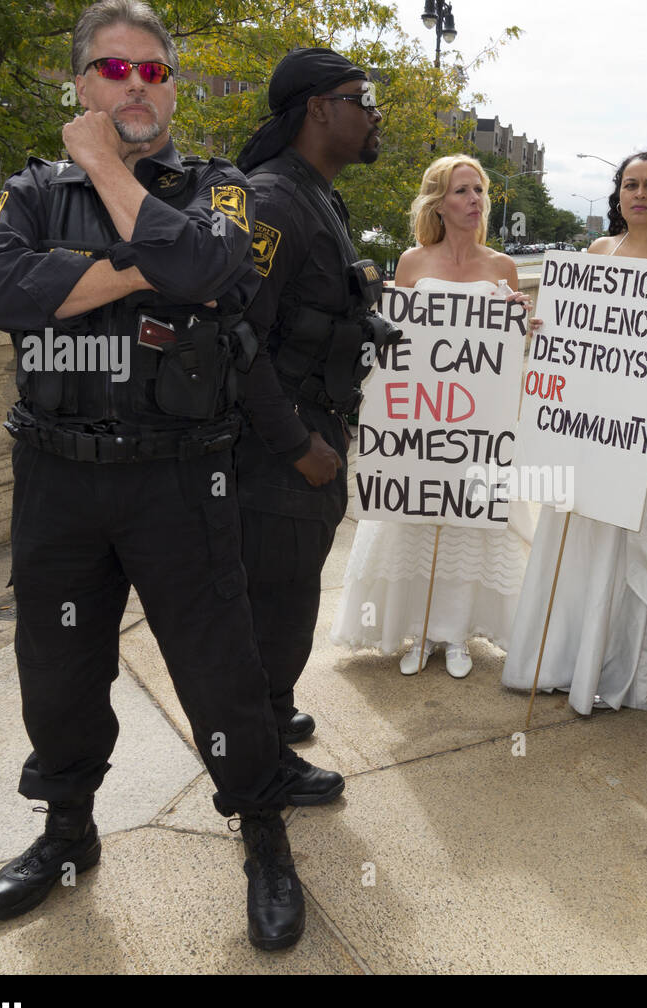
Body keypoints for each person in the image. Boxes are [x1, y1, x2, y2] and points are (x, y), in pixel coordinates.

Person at [0, 0, 312, 951]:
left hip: (180, 478)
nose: (135, 86)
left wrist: (111, 184)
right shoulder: (31, 190)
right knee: (59, 668)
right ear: (79, 85)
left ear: (173, 86)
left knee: (222, 670)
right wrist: (140, 267)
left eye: (152, 70)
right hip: (58, 479)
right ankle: (66, 831)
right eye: (112, 71)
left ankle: (265, 838)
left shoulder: (222, 185)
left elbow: (210, 263)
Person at [501, 152, 647, 716]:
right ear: (617, 195)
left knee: (639, 549)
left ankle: (628, 662)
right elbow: (571, 337)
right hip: (584, 433)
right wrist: (539, 326)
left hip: (644, 437)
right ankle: (566, 657)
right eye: (630, 185)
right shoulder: (599, 252)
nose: (640, 194)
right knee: (578, 545)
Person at [231, 47, 387, 765]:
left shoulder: (320, 195)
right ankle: (258, 759)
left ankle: (272, 710)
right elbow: (237, 339)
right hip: (276, 453)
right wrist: (297, 444)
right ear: (320, 109)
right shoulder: (269, 201)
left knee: (290, 598)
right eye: (364, 97)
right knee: (275, 606)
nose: (375, 111)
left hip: (315, 428)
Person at [330, 154, 532, 678]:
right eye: (462, 191)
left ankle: (457, 633)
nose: (474, 201)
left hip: (476, 427)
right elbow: (405, 346)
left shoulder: (502, 268)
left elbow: (508, 354)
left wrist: (522, 326)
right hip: (422, 428)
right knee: (418, 524)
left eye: (479, 191)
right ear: (438, 202)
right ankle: (419, 630)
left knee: (471, 525)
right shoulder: (412, 263)